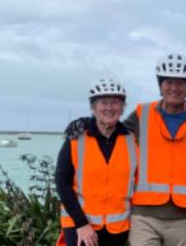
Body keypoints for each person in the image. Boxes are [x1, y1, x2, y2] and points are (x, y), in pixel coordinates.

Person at [65, 53, 186, 246]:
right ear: (160, 85)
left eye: (180, 83)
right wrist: (86, 122)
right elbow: (112, 130)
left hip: (185, 217)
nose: (174, 88)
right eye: (168, 82)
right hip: (143, 217)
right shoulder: (141, 114)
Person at [56, 78, 137, 246]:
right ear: (93, 107)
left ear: (122, 107)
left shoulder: (133, 140)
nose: (109, 107)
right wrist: (81, 223)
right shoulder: (76, 138)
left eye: (115, 103)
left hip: (118, 227)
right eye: (103, 102)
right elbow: (62, 181)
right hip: (80, 225)